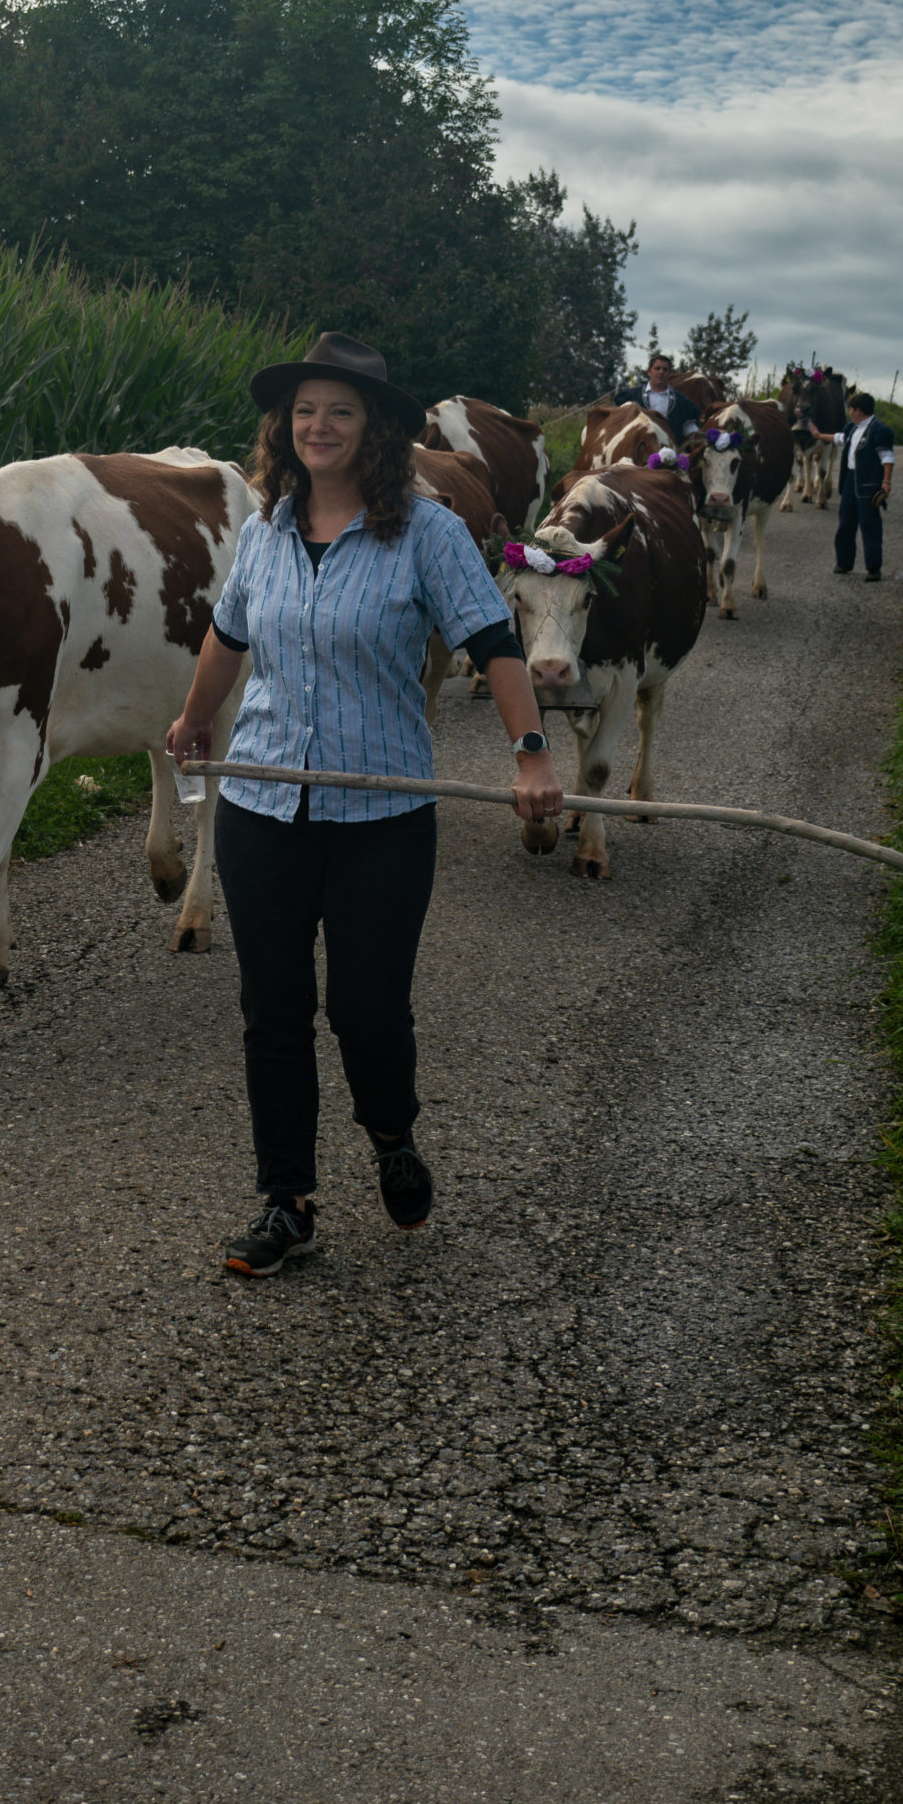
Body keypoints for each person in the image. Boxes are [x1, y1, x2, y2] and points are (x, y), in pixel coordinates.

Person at [163, 331, 563, 1278]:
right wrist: (194, 716)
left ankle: (390, 1133)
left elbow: (494, 644)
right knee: (272, 1008)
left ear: (376, 427)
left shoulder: (426, 533)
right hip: (265, 799)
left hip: (382, 810)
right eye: (304, 410)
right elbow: (229, 633)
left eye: (340, 411)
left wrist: (531, 754)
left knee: (367, 1008)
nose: (319, 426)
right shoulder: (266, 531)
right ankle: (286, 1201)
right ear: (285, 426)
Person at [829, 391, 897, 581]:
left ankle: (873, 568)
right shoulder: (852, 428)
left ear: (858, 410)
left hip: (869, 483)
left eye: (851, 409)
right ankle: (844, 562)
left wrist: (886, 482)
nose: (850, 412)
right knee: (845, 522)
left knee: (869, 525)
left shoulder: (880, 431)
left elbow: (887, 458)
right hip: (850, 480)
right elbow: (840, 438)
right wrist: (818, 435)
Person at [615, 350, 702, 443]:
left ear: (669, 373)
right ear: (649, 372)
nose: (661, 372)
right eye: (657, 368)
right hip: (639, 448)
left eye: (665, 369)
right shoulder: (632, 396)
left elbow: (689, 428)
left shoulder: (680, 400)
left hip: (671, 449)